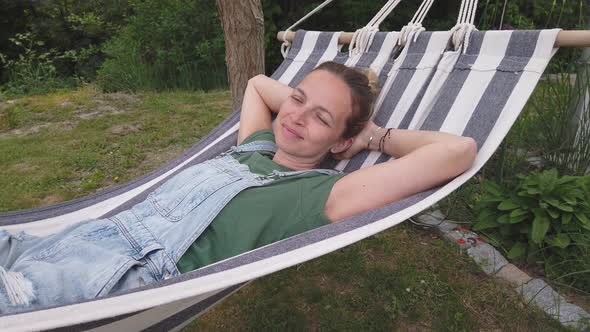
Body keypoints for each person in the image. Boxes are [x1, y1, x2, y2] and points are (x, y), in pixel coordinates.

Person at [0, 61, 477, 313]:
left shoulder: (321, 195)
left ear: (341, 140)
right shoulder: (256, 145)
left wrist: (371, 137)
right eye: (297, 100)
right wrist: (310, 102)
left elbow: (457, 151)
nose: (295, 117)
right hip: (76, 238)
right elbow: (254, 84)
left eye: (321, 118)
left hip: (116, 277)